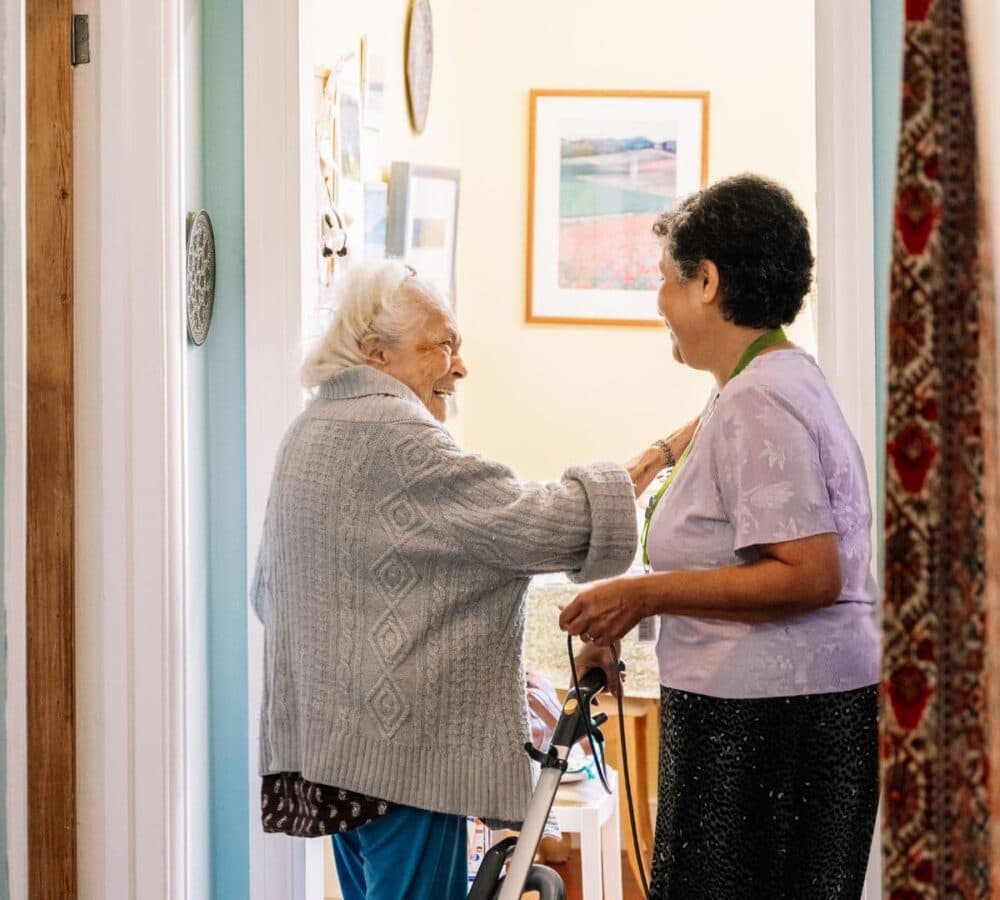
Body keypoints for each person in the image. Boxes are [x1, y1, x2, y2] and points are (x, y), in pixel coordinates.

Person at [250, 260, 694, 900]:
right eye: (444, 345)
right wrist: (661, 454)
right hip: (401, 764)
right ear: (378, 353)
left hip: (331, 759)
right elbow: (535, 523)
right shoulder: (399, 436)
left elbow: (269, 590)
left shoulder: (307, 431)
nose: (460, 367)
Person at [560, 174, 881, 899]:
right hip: (788, 714)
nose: (661, 304)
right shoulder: (770, 379)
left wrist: (640, 598)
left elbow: (809, 573)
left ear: (707, 282)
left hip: (764, 729)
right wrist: (659, 456)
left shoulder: (759, 399)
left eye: (668, 282)